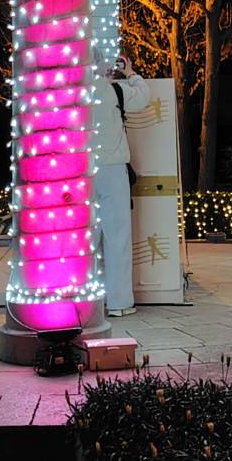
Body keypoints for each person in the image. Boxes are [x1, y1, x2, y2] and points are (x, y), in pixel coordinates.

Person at [92, 53, 150, 318]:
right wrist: (130, 73)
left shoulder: (72, 94)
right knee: (117, 237)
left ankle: (88, 301)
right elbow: (144, 96)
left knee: (86, 240)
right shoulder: (115, 91)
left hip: (81, 172)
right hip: (113, 169)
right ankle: (119, 302)